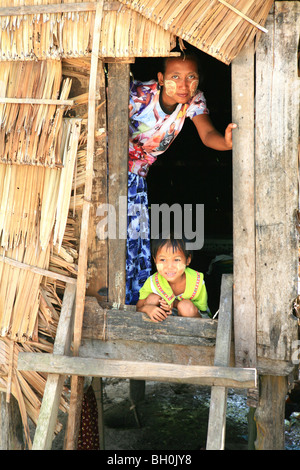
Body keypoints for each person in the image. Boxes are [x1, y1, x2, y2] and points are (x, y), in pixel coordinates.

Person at [126, 51, 236, 305]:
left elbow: (208, 134)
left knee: (135, 240)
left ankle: (137, 302)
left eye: (191, 77)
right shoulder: (137, 94)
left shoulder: (193, 102)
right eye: (175, 76)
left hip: (137, 177)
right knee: (116, 234)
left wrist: (227, 143)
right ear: (161, 79)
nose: (184, 85)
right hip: (112, 170)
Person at [136, 234, 208, 322]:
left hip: (191, 321)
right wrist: (147, 309)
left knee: (185, 306)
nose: (169, 266)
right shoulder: (152, 282)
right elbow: (138, 308)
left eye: (176, 260)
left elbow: (202, 311)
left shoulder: (196, 281)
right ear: (155, 260)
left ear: (187, 260)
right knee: (153, 298)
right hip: (163, 319)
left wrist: (173, 304)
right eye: (162, 260)